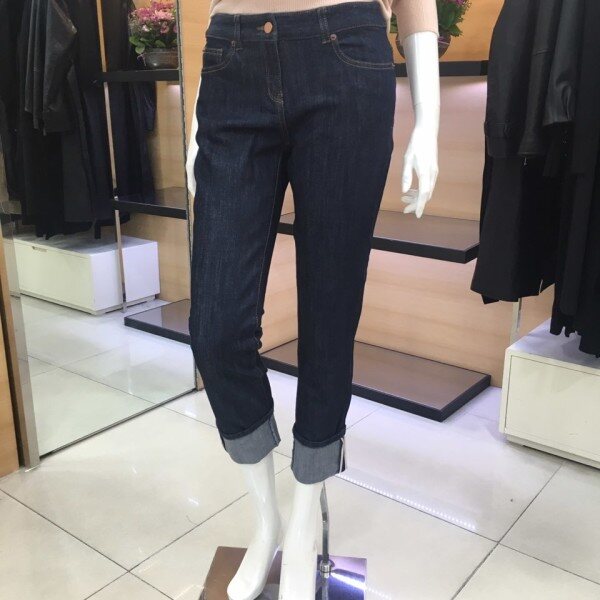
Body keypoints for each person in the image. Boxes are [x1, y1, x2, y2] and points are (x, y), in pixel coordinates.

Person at [186, 1, 440, 597]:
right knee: (216, 330)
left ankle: (304, 516)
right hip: (231, 59)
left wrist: (428, 122)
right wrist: (199, 107)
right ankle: (265, 520)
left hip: (344, 54)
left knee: (329, 316)